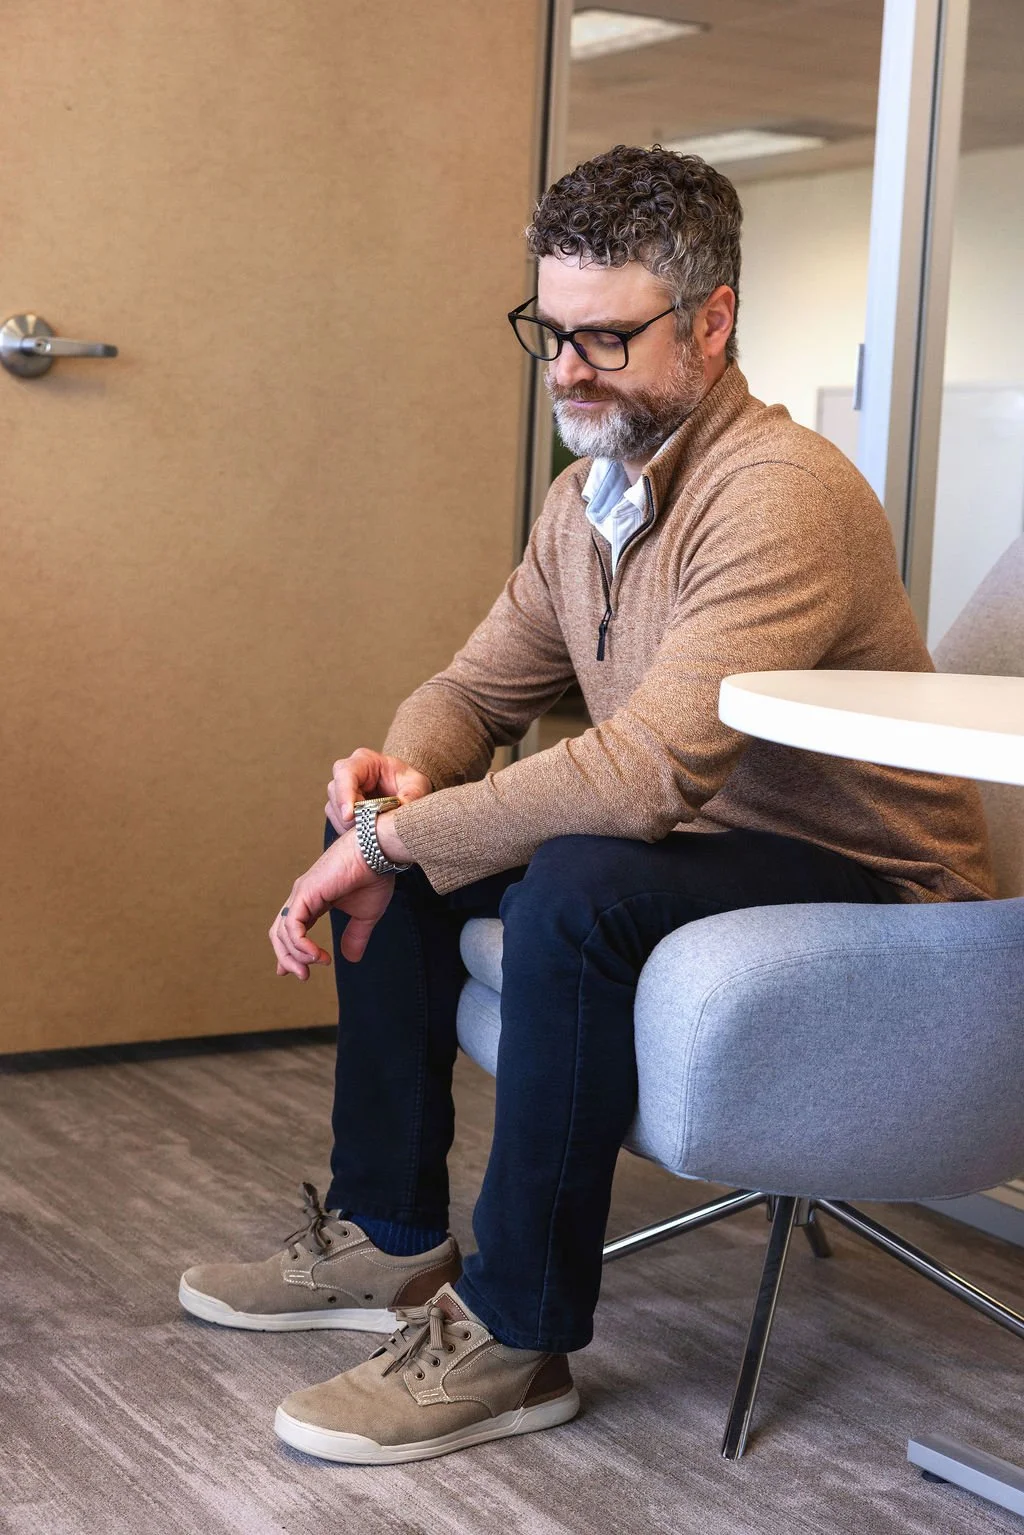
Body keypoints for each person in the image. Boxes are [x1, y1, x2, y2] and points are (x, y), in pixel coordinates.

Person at [179, 144, 994, 1466]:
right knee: (398, 832)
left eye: (605, 338)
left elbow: (644, 775)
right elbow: (475, 687)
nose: (565, 369)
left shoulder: (780, 495)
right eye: (549, 333)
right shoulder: (588, 498)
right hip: (707, 842)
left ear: (713, 322)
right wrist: (399, 783)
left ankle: (519, 1331)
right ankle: (387, 1231)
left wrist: (401, 833)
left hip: (870, 878)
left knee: (569, 882)